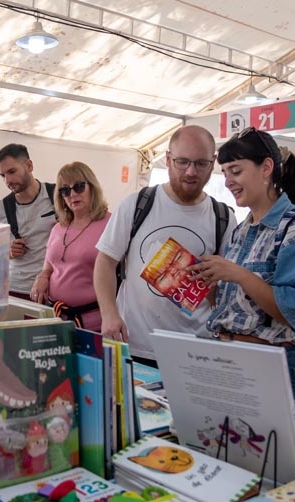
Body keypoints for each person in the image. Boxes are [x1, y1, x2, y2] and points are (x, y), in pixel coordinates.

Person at [190, 127, 295, 403]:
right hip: (228, 359)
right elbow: (238, 308)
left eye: (236, 171)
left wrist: (239, 275)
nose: (229, 181)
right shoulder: (242, 230)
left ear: (266, 168)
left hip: (270, 364)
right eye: (225, 173)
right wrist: (208, 283)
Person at [93, 125, 236, 363]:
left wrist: (216, 283)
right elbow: (105, 262)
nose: (191, 171)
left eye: (201, 163)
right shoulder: (136, 205)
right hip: (137, 346)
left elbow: (228, 286)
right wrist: (109, 314)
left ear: (213, 164)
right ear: (168, 159)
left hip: (196, 351)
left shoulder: (222, 216)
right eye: (182, 162)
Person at [30, 161, 110, 330]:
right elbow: (49, 265)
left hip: (94, 324)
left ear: (92, 187)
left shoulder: (110, 224)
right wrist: (42, 277)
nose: (72, 194)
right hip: (56, 319)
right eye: (65, 190)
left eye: (79, 187)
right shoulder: (58, 228)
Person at [0, 144, 56, 300]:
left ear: (29, 165)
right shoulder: (0, 209)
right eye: (2, 175)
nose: (7, 180)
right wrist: (7, 252)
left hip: (53, 289)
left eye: (12, 171)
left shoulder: (58, 196)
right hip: (15, 290)